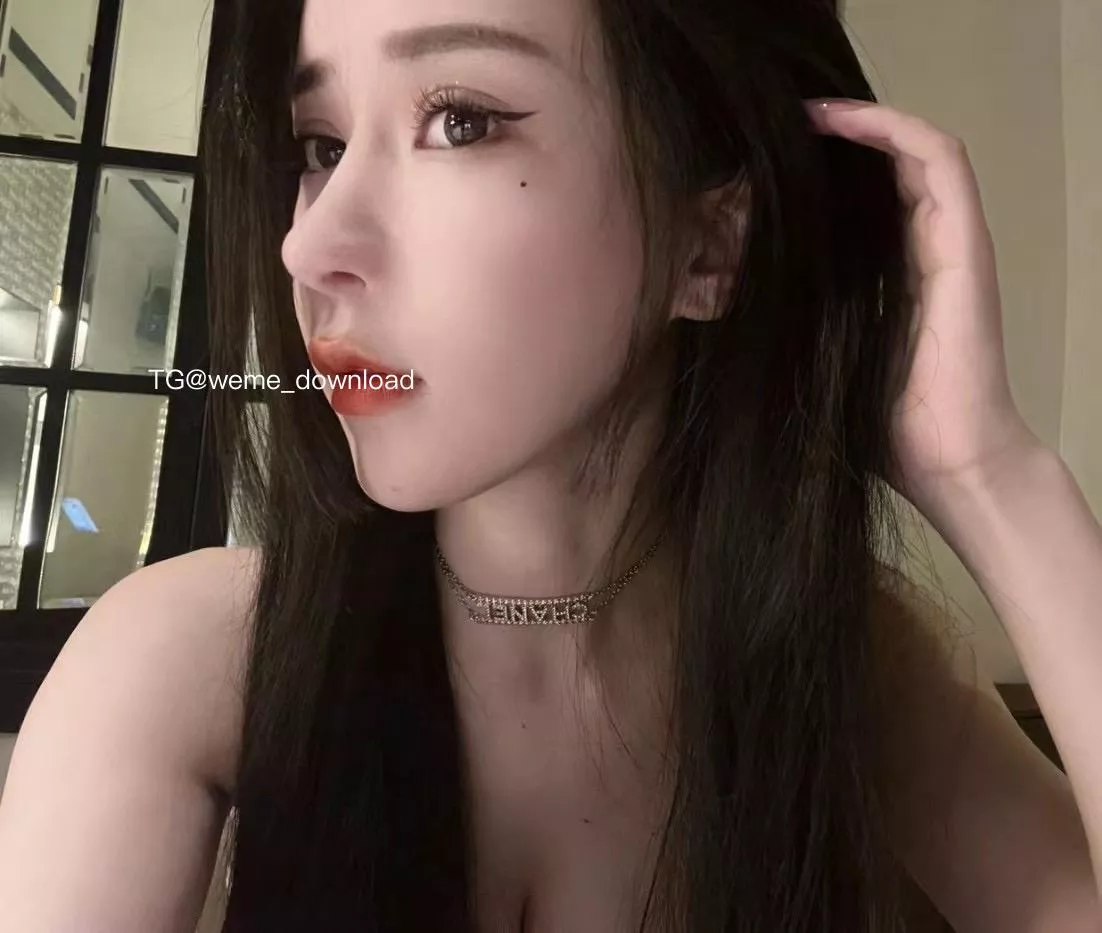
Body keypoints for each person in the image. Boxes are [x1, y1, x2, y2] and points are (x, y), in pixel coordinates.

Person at [1, 0, 1101, 930]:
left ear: (709, 245)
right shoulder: (187, 664)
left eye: (460, 121)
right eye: (322, 146)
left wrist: (991, 475)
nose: (310, 244)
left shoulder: (847, 667)